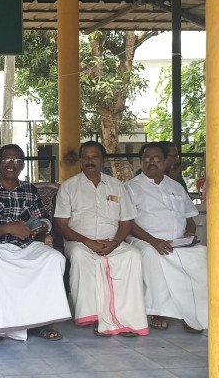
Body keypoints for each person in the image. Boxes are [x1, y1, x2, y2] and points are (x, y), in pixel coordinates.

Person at [0, 144, 70, 343]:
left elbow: (45, 219)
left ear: (22, 166)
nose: (11, 164)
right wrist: (9, 228)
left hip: (27, 244)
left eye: (16, 161)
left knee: (54, 258)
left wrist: (40, 226)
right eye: (6, 159)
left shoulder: (29, 189)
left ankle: (43, 322)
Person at [54, 141, 148, 337]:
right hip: (79, 242)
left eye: (94, 156)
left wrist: (114, 243)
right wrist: (88, 242)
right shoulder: (69, 187)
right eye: (85, 157)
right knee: (81, 256)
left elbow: (126, 223)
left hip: (112, 241)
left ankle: (126, 317)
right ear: (80, 160)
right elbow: (61, 225)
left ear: (102, 160)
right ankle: (93, 315)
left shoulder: (117, 186)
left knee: (133, 255)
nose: (90, 161)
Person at [126, 143, 207, 332]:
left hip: (178, 241)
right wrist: (154, 241)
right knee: (151, 255)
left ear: (165, 162)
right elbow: (128, 223)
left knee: (202, 255)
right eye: (147, 158)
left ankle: (192, 314)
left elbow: (190, 218)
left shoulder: (176, 186)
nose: (151, 162)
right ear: (141, 161)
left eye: (157, 158)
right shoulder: (131, 188)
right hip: (144, 239)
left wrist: (189, 233)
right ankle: (158, 311)